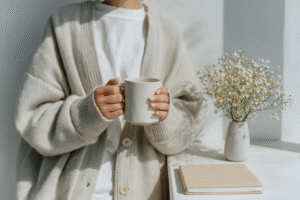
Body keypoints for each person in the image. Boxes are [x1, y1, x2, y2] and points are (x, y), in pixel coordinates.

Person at [14, 0, 204, 199]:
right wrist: (86, 114)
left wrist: (164, 116)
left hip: (146, 192)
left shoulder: (168, 33)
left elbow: (187, 123)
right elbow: (33, 118)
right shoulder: (64, 24)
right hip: (70, 191)